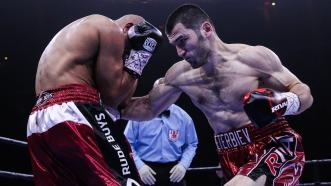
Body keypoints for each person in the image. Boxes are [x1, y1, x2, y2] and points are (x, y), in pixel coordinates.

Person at [121, 4, 313, 186]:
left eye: (183, 40)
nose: (180, 52)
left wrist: (281, 102)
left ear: (206, 29)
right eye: (175, 45)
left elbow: (304, 94)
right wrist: (134, 62)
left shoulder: (252, 58)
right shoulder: (180, 74)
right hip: (228, 153)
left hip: (274, 143)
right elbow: (145, 108)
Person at [26, 14, 162, 186]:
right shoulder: (111, 29)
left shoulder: (80, 32)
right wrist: (140, 56)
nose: (124, 57)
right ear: (129, 29)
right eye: (127, 51)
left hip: (38, 121)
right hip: (74, 112)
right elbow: (113, 99)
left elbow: (122, 100)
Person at [124, 99, 198, 186]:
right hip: (144, 170)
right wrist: (139, 166)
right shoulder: (139, 114)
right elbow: (126, 142)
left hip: (174, 171)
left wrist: (183, 165)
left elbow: (192, 144)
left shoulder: (184, 117)